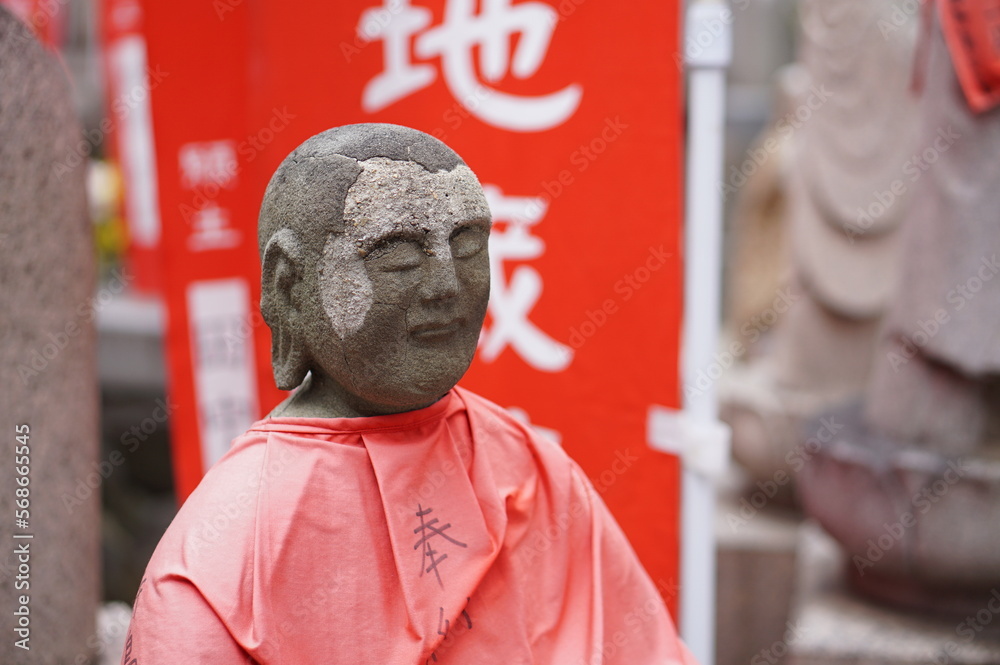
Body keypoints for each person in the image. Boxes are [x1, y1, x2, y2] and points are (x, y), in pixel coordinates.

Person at [121, 123, 695, 665]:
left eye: (467, 245)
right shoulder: (225, 554)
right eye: (397, 252)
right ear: (290, 286)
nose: (446, 284)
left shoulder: (530, 470)